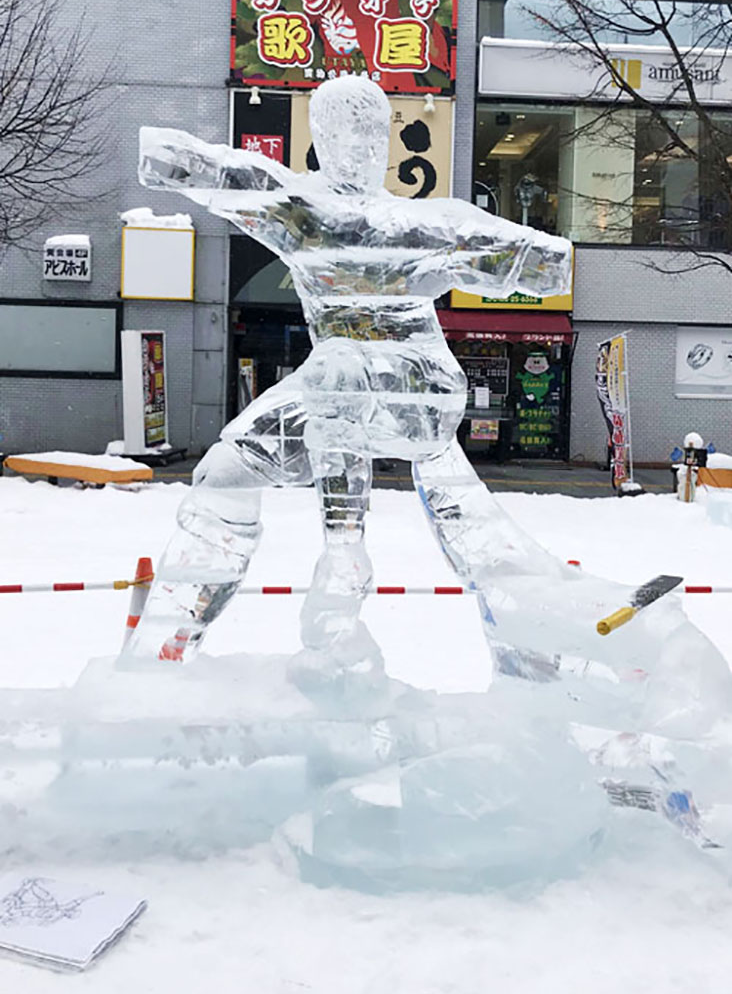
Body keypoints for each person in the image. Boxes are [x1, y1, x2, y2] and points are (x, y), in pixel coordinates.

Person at [124, 76, 572, 698]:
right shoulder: (301, 213)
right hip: (338, 390)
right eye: (345, 134)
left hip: (422, 388)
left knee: (336, 368)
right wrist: (173, 160)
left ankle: (344, 551)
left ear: (386, 143)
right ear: (321, 141)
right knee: (224, 471)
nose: (360, 148)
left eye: (371, 134)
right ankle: (163, 650)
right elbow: (235, 177)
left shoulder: (421, 222)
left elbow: (541, 263)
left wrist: (495, 255)